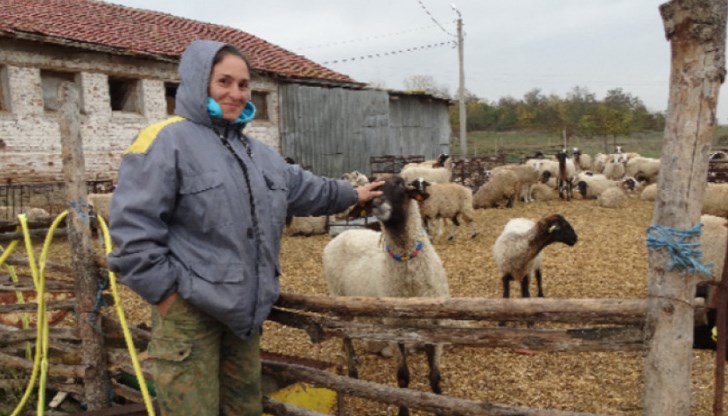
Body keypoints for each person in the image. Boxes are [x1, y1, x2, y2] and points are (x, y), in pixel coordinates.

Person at [107, 39, 384, 416]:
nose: (235, 94)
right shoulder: (164, 141)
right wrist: (167, 296)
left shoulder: (258, 153)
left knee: (244, 409)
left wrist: (352, 192)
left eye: (243, 84)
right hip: (189, 313)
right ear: (197, 81)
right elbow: (132, 231)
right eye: (224, 82)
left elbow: (306, 189)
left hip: (243, 316)